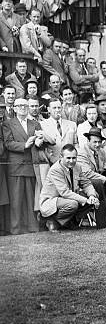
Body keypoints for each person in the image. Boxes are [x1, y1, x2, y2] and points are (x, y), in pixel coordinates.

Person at [3, 98, 44, 234]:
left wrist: (38, 142)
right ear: (14, 108)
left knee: (31, 198)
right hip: (16, 166)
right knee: (16, 199)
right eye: (19, 106)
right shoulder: (8, 124)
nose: (22, 108)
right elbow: (8, 143)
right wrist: (25, 145)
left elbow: (41, 140)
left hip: (32, 165)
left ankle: (32, 227)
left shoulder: (35, 123)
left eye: (25, 105)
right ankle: (15, 229)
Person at [39, 144, 100, 233]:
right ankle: (52, 221)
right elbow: (65, 192)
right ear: (61, 157)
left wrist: (91, 196)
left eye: (74, 158)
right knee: (73, 204)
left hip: (67, 199)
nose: (71, 161)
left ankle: (69, 221)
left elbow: (86, 183)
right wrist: (85, 200)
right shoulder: (55, 169)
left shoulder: (77, 167)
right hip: (52, 201)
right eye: (68, 158)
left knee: (94, 197)